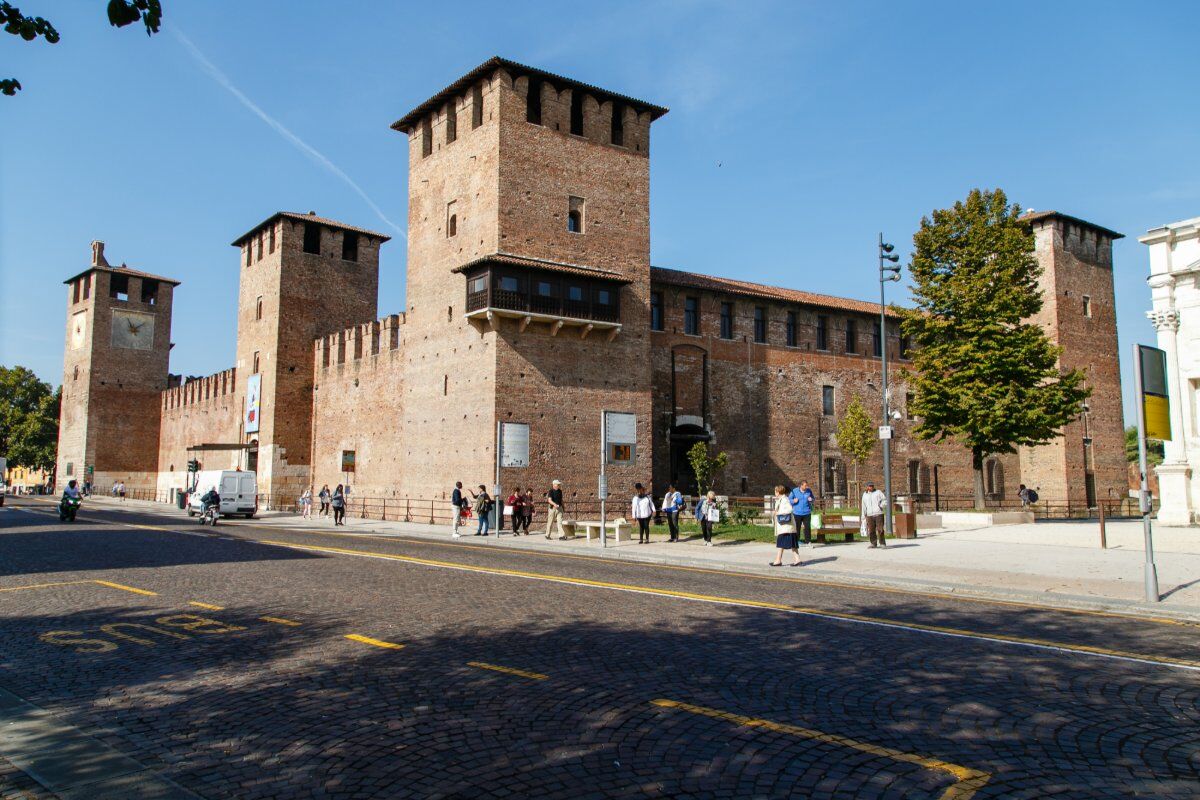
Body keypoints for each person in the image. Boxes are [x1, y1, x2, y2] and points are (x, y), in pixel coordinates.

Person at [770, 485, 802, 567]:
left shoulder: (784, 499)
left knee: (781, 544)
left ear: (778, 492)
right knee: (791, 544)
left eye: (775, 491)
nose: (775, 492)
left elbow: (789, 509)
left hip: (786, 527)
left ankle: (778, 560)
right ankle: (796, 560)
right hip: (785, 527)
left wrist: (778, 513)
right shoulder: (781, 499)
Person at [788, 480, 816, 547]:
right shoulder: (794, 491)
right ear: (801, 485)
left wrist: (811, 499)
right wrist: (793, 501)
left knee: (807, 527)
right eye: (805, 486)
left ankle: (808, 542)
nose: (806, 487)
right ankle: (797, 541)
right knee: (797, 528)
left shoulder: (809, 491)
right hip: (797, 513)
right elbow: (789, 499)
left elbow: (813, 498)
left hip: (807, 512)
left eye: (807, 485)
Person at [861, 481, 887, 548]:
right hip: (869, 515)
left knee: (880, 529)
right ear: (867, 487)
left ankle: (882, 543)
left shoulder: (878, 492)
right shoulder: (865, 495)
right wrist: (863, 516)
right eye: (870, 486)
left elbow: (884, 500)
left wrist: (881, 505)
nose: (871, 487)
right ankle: (873, 543)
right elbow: (863, 506)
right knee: (871, 530)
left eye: (872, 486)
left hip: (878, 514)